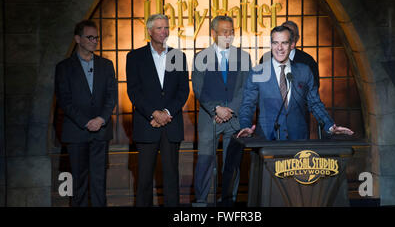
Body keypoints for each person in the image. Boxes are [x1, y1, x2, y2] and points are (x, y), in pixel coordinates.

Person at [237, 25, 353, 140]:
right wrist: (245, 126)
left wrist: (330, 126)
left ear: (292, 45)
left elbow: (314, 103)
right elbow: (248, 104)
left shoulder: (304, 71)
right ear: (271, 44)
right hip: (268, 139)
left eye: (284, 43)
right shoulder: (257, 72)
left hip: (298, 140)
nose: (280, 48)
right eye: (275, 43)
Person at [126, 14, 189, 207]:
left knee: (171, 177)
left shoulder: (178, 56)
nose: (164, 31)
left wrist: (167, 113)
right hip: (147, 124)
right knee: (144, 178)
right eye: (160, 28)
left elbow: (183, 90)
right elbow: (134, 91)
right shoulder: (135, 57)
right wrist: (154, 113)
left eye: (166, 28)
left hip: (171, 125)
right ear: (149, 31)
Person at [55, 19, 117, 207]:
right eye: (90, 37)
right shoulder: (64, 67)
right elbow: (64, 100)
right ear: (77, 39)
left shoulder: (106, 65)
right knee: (78, 184)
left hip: (100, 131)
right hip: (76, 132)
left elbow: (111, 96)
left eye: (96, 37)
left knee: (99, 182)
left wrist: (100, 119)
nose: (94, 41)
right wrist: (86, 122)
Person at [191, 15, 251, 206]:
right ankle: (201, 200)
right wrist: (217, 109)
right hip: (210, 119)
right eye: (224, 31)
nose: (229, 35)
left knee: (231, 162)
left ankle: (229, 200)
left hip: (234, 120)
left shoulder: (244, 57)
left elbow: (245, 88)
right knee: (205, 160)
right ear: (213, 33)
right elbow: (199, 88)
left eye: (231, 31)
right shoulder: (201, 57)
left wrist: (230, 109)